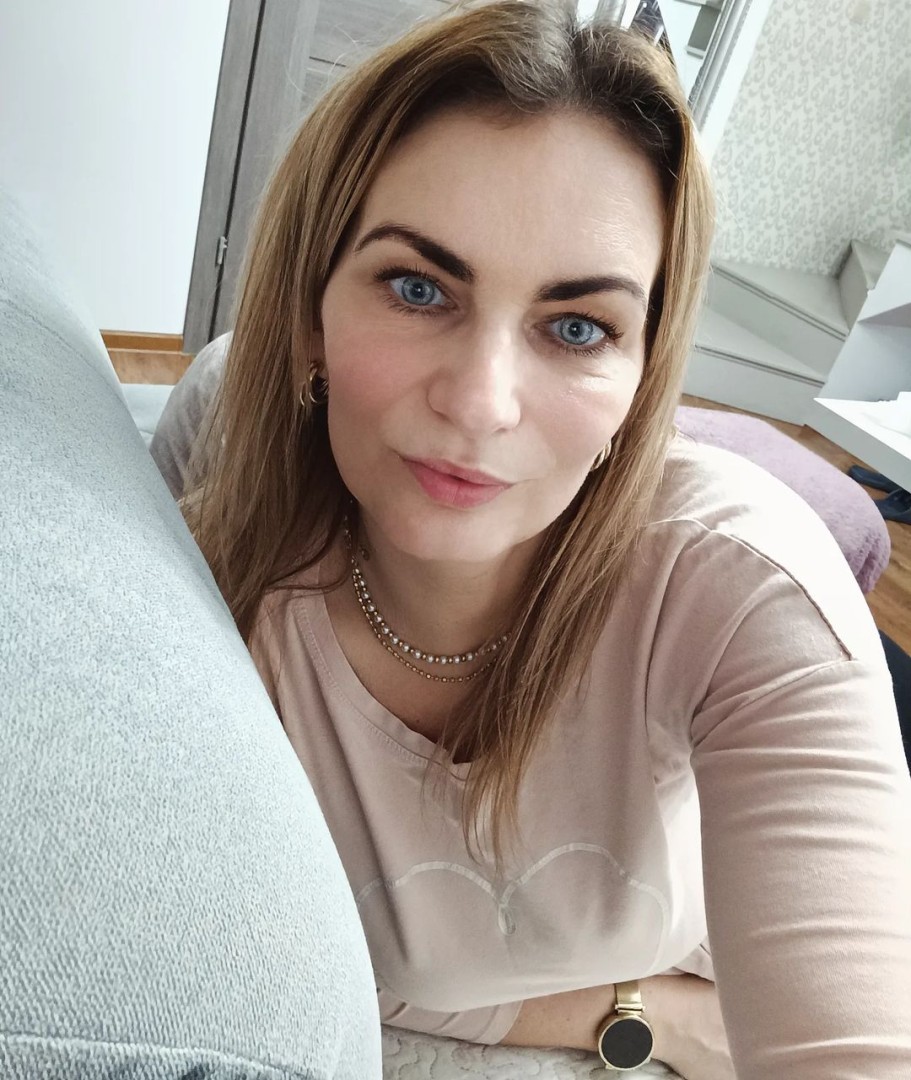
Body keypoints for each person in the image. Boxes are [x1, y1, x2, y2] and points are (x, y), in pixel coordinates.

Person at [152, 2, 911, 1076]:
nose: (479, 403)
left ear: (643, 373)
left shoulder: (746, 590)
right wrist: (644, 1018)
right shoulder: (225, 462)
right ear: (309, 310)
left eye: (577, 327)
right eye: (417, 287)